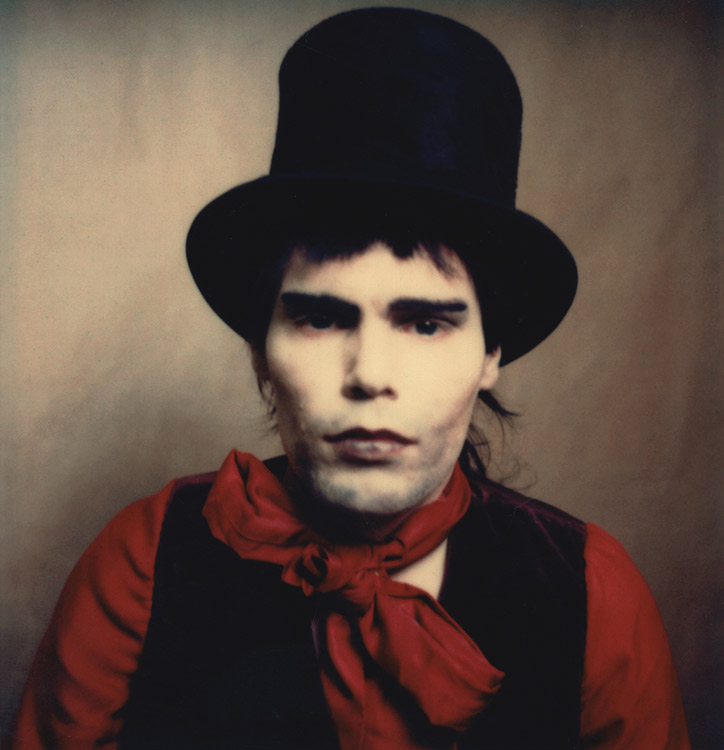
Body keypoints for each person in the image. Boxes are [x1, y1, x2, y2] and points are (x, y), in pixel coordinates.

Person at [10, 7, 690, 750]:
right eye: (321, 318)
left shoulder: (592, 591)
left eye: (425, 323)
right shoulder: (143, 559)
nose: (370, 375)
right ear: (259, 348)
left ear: (491, 352)